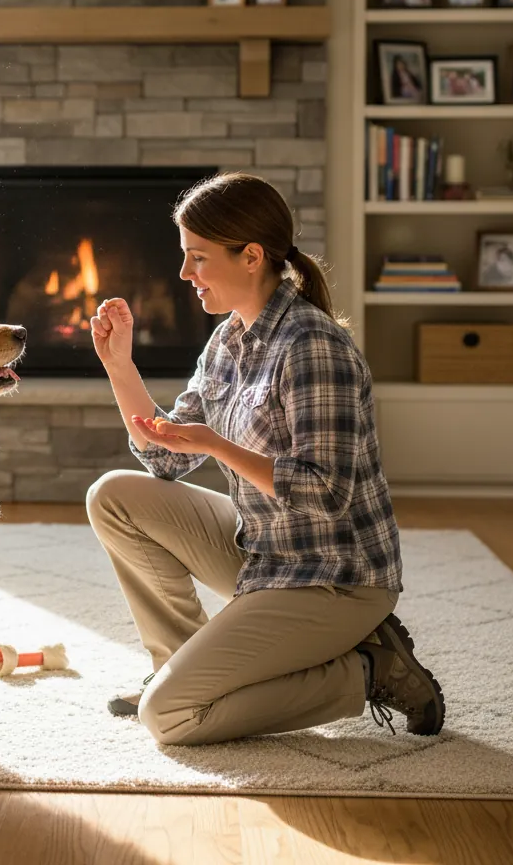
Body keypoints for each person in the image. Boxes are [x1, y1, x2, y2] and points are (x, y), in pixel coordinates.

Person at [86, 172, 444, 746]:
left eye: (197, 258)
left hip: (336, 578)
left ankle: (371, 669)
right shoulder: (228, 340)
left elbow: (327, 492)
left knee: (170, 719)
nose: (184, 275)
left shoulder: (313, 346)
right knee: (114, 495)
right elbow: (166, 461)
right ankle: (178, 664)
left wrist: (214, 443)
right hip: (265, 549)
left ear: (251, 256)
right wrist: (119, 368)